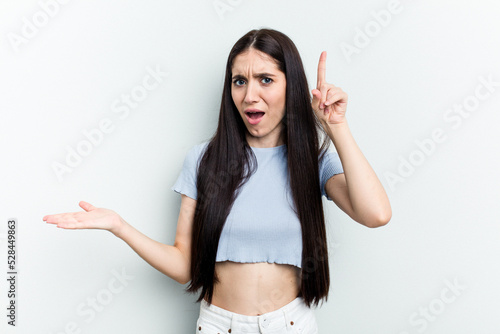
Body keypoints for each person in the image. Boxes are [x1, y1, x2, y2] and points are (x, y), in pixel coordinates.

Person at [43, 28, 391, 333]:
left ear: (292, 86)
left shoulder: (312, 161)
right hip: (218, 326)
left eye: (265, 80)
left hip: (290, 325)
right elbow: (184, 267)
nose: (249, 95)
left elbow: (375, 214)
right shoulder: (204, 160)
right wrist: (119, 225)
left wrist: (337, 127)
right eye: (239, 81)